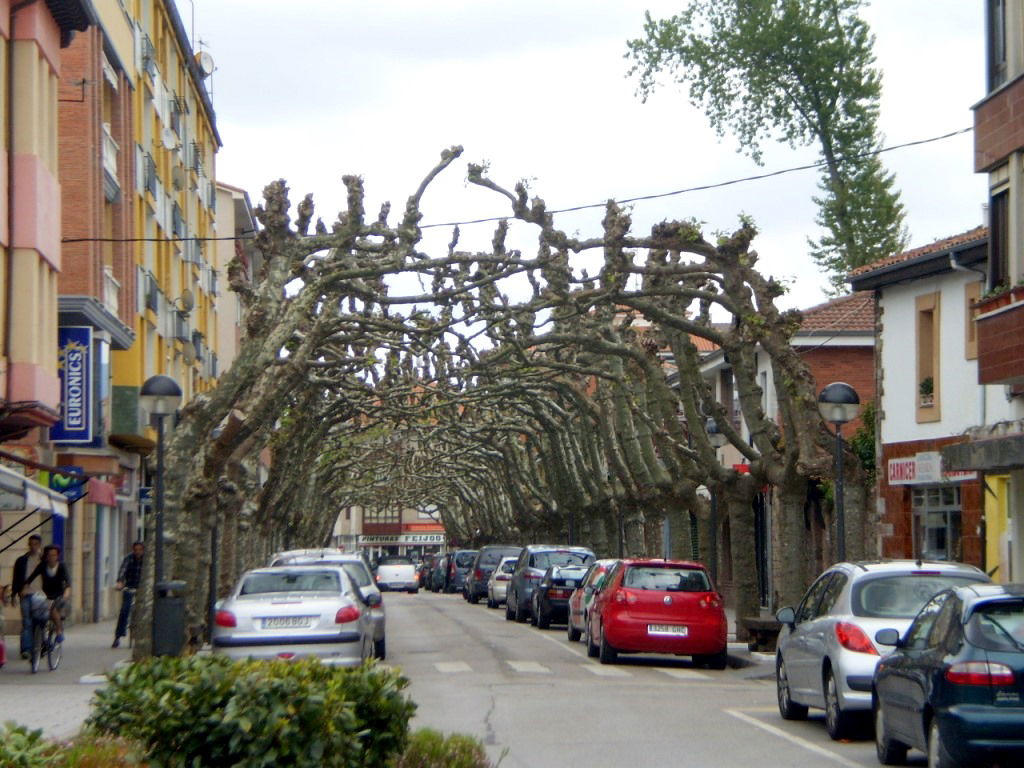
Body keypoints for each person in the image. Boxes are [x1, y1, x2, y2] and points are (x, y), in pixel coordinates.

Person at [25, 544, 71, 643]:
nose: (52, 557)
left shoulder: (61, 566)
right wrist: (25, 588)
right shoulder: (42, 566)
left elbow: (67, 584)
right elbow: (30, 579)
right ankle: (41, 637)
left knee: (53, 609)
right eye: (49, 555)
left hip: (59, 595)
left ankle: (59, 631)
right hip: (47, 595)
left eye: (54, 555)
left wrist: (66, 595)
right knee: (37, 613)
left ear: (57, 556)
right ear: (46, 556)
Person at [11, 534, 43, 660]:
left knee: (39, 621)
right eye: (31, 544)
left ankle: (41, 644)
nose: (33, 547)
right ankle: (26, 649)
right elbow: (16, 579)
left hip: (41, 595)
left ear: (40, 545)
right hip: (25, 595)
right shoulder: (21, 560)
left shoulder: (44, 560)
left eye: (36, 544)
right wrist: (14, 594)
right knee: (27, 622)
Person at [112, 541, 144, 648]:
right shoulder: (129, 558)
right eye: (136, 550)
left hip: (143, 590)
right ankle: (118, 636)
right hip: (129, 587)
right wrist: (120, 583)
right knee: (124, 610)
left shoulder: (147, 560)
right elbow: (122, 570)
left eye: (140, 550)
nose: (138, 552)